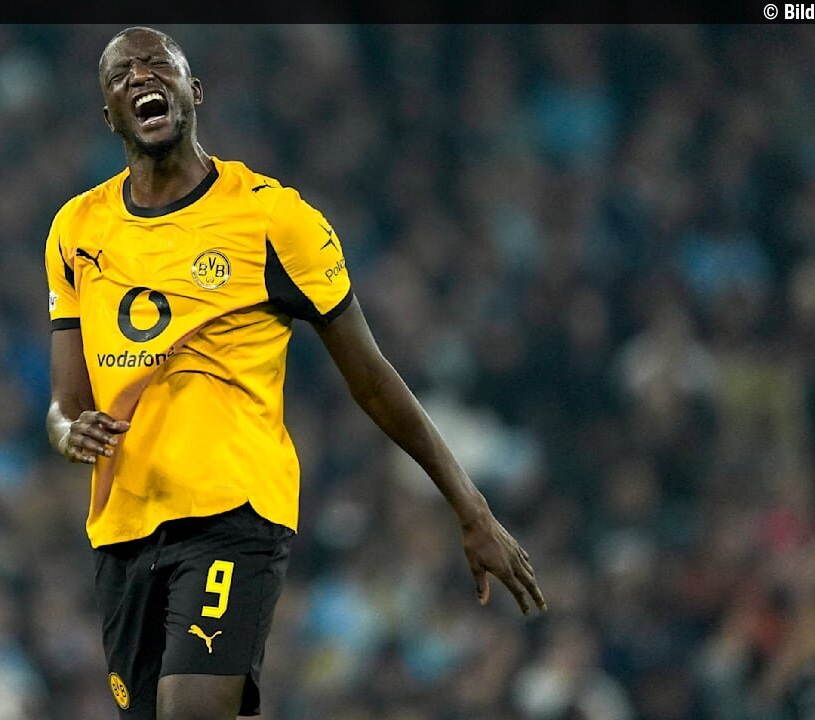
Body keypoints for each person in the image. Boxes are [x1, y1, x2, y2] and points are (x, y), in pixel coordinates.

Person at [44, 26, 547, 720]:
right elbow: (66, 404)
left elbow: (371, 377)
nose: (140, 76)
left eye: (157, 63)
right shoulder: (76, 230)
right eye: (120, 74)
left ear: (194, 91)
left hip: (233, 513)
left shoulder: (273, 219)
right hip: (123, 529)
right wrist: (66, 433)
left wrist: (471, 507)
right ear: (109, 115)